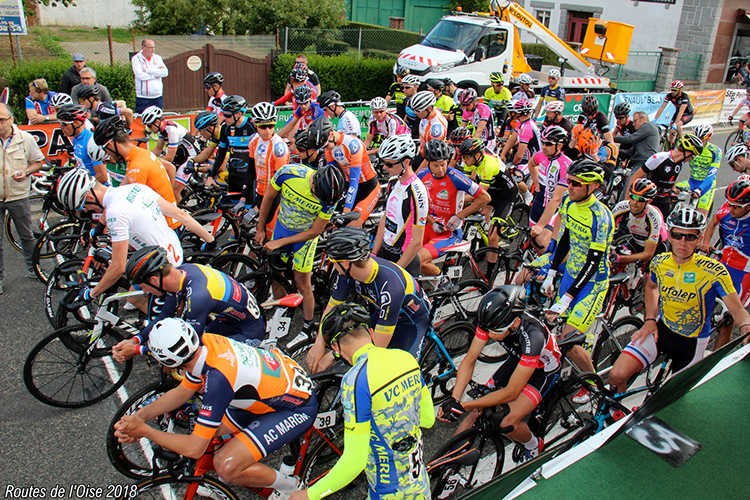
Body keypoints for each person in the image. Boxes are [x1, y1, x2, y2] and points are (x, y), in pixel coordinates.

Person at [114, 318, 317, 498]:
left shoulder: (217, 379)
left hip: (295, 407)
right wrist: (139, 417)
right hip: (269, 390)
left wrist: (146, 431)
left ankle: (291, 487)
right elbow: (182, 392)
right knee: (210, 434)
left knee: (226, 466)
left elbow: (194, 448)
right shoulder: (204, 344)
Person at [292, 303, 433, 500]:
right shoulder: (406, 358)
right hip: (420, 486)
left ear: (336, 348)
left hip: (387, 493)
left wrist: (310, 495)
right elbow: (428, 419)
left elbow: (354, 461)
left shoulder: (355, 380)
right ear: (371, 333)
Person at [608, 207, 750, 393]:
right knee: (616, 375)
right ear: (670, 235)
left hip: (692, 343)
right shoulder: (660, 262)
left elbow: (737, 309)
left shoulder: (714, 271)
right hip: (661, 330)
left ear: (699, 239)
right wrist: (650, 319)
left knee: (668, 399)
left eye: (690, 237)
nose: (682, 242)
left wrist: (746, 330)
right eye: (677, 235)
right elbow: (651, 287)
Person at [438, 285, 561, 463]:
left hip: (543, 370)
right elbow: (470, 359)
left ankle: (533, 445)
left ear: (516, 322)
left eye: (497, 332)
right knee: (478, 410)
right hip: (518, 359)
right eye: (488, 331)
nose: (491, 336)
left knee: (505, 422)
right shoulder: (491, 322)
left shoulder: (533, 336)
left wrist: (466, 405)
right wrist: (455, 399)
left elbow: (512, 392)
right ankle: (447, 460)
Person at [55, 168, 215, 302]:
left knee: (134, 299)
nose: (86, 211)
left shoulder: (115, 213)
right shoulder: (134, 188)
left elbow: (117, 268)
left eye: (83, 206)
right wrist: (211, 241)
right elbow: (182, 215)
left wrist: (91, 294)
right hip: (173, 250)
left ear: (90, 197)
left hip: (163, 267)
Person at [307, 228, 431, 371]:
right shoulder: (346, 273)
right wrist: (319, 342)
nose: (333, 265)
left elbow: (376, 348)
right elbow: (332, 307)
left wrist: (335, 354)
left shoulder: (390, 286)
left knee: (398, 373)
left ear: (346, 263)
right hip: (382, 313)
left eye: (333, 261)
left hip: (410, 323)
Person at [113, 246, 266, 361]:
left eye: (144, 286)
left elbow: (188, 349)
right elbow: (164, 316)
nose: (146, 292)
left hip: (247, 332)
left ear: (154, 280)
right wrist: (135, 340)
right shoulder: (181, 273)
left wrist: (138, 350)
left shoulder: (198, 296)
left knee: (200, 363)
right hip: (230, 321)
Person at [541, 159, 613, 404]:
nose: (568, 186)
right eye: (568, 181)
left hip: (592, 284)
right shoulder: (568, 202)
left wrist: (569, 296)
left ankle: (593, 385)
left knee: (570, 342)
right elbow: (565, 239)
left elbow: (593, 261)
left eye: (575, 183)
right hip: (571, 276)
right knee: (554, 329)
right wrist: (551, 272)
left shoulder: (601, 216)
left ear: (593, 187)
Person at [254, 163, 346, 348]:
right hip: (282, 228)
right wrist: (260, 227)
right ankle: (282, 313)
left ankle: (308, 326)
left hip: (304, 238)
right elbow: (268, 198)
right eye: (316, 196)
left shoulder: (329, 198)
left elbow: (314, 232)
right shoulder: (288, 174)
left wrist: (279, 243)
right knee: (276, 276)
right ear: (314, 185)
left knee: (302, 283)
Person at [418, 139, 490, 276]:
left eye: (443, 165)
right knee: (405, 257)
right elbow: (418, 203)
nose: (440, 170)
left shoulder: (455, 176)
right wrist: (432, 221)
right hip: (430, 226)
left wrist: (460, 215)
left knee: (418, 261)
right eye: (435, 166)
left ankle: (443, 285)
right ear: (428, 163)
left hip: (450, 231)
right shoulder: (422, 175)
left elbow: (485, 197)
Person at [91, 116, 179, 227]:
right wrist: (101, 224)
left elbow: (134, 210)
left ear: (111, 145)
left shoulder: (137, 167)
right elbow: (118, 193)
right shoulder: (140, 155)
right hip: (164, 218)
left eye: (105, 150)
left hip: (163, 225)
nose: (108, 154)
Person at [700, 179, 750, 350]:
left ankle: (715, 360)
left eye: (736, 206)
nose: (730, 209)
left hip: (744, 273)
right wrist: (706, 242)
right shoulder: (727, 211)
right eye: (729, 203)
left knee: (728, 319)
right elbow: (713, 222)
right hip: (722, 264)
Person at [0, 103, 45, 293]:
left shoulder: (25, 138)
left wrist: (26, 171)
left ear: (11, 120)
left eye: (2, 119)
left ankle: (34, 268)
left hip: (18, 195)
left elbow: (38, 162)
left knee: (26, 235)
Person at [373, 135, 429, 276]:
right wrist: (374, 252)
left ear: (406, 162)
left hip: (405, 261)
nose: (385, 167)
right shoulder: (393, 182)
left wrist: (396, 271)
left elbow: (417, 242)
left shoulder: (417, 192)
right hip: (386, 252)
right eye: (383, 163)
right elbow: (385, 219)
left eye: (390, 164)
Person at [235, 101, 289, 237]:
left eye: (271, 125)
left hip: (275, 197)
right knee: (255, 236)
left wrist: (257, 207)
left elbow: (279, 185)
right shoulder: (254, 141)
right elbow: (251, 171)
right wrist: (242, 199)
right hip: (260, 193)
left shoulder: (279, 148)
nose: (267, 131)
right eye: (263, 126)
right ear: (255, 124)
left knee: (268, 240)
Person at [323, 116, 381, 228]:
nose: (325, 148)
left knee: (352, 227)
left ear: (330, 134)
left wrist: (345, 214)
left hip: (369, 187)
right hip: (349, 187)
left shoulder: (353, 144)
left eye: (325, 145)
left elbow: (354, 182)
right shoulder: (329, 148)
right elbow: (333, 178)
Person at [629, 133, 703, 220]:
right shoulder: (659, 158)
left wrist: (674, 190)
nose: (692, 159)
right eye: (693, 156)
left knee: (664, 228)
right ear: (688, 153)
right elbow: (635, 177)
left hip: (664, 200)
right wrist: (627, 202)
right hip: (650, 199)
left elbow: (675, 176)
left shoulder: (681, 163)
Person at [140, 106, 201, 202]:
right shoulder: (162, 130)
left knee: (175, 191)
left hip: (192, 157)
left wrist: (151, 162)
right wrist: (144, 158)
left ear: (156, 122)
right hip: (182, 155)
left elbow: (169, 157)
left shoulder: (171, 130)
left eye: (149, 125)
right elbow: (158, 149)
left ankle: (182, 213)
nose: (149, 128)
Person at [204, 96, 258, 198]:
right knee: (234, 211)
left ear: (238, 114)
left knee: (247, 210)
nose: (224, 118)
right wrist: (211, 176)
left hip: (250, 177)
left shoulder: (252, 126)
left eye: (227, 115)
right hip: (233, 176)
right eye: (223, 114)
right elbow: (221, 154)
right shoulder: (225, 128)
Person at [528, 126, 571, 249]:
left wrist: (541, 225)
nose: (544, 147)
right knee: (532, 240)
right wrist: (536, 183)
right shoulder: (540, 155)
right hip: (538, 202)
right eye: (543, 142)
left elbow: (556, 199)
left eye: (548, 144)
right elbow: (531, 164)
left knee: (541, 243)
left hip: (555, 210)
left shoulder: (566, 165)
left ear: (560, 145)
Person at [610, 178, 665, 267]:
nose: (635, 202)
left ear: (649, 201)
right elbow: (605, 232)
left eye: (640, 199)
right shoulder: (621, 207)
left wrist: (620, 258)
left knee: (651, 275)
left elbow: (648, 254)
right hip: (636, 241)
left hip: (656, 248)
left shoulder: (654, 216)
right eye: (633, 197)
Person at [675, 124, 721, 217]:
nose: (699, 143)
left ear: (709, 139)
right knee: (671, 194)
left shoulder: (715, 151)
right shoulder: (690, 147)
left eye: (702, 140)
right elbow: (679, 166)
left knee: (700, 217)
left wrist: (699, 190)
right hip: (692, 182)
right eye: (697, 139)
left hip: (707, 185)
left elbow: (711, 174)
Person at [500, 98, 540, 204]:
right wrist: (502, 154)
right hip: (526, 157)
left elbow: (519, 155)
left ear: (519, 113)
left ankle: (528, 195)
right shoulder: (521, 123)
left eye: (514, 112)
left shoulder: (527, 127)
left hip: (532, 160)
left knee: (514, 177)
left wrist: (513, 164)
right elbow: (512, 140)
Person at [56, 104, 109, 184]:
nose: (60, 127)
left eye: (64, 124)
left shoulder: (92, 142)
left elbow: (102, 177)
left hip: (95, 189)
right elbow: (80, 164)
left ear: (76, 123)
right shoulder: (76, 138)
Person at [411, 90, 448, 170]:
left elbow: (431, 156)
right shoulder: (433, 111)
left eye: (418, 110)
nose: (415, 112)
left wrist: (417, 175)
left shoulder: (436, 130)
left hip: (428, 159)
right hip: (422, 152)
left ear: (429, 108)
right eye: (414, 109)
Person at [131, 39, 168, 113]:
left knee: (158, 119)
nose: (152, 50)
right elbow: (140, 75)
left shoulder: (157, 58)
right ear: (143, 47)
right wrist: (156, 74)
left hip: (157, 96)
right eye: (150, 47)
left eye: (153, 47)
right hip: (143, 97)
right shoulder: (136, 59)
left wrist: (148, 71)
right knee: (141, 120)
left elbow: (165, 72)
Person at [460, 87, 496, 152]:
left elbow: (480, 130)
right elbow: (461, 129)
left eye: (467, 104)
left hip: (488, 140)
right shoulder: (466, 111)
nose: (465, 107)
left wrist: (471, 144)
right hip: (478, 140)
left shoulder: (484, 108)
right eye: (462, 104)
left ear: (474, 101)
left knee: (485, 158)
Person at [400, 74, 421, 139]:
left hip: (417, 133)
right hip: (407, 131)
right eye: (403, 87)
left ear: (415, 87)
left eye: (407, 87)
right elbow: (403, 116)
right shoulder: (406, 100)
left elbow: (420, 121)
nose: (404, 90)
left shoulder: (420, 102)